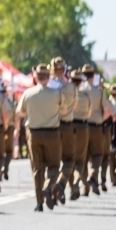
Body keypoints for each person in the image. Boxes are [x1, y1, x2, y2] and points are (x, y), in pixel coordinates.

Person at [16, 64, 66, 212]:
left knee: (38, 169)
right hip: (52, 133)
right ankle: (48, 187)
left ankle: (39, 203)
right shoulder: (56, 93)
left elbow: (20, 112)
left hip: (34, 133)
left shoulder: (28, 93)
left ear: (35, 77)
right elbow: (63, 110)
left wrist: (34, 113)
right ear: (49, 77)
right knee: (54, 166)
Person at [80, 64, 112, 195]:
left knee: (83, 157)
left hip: (82, 126)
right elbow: (108, 111)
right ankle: (93, 176)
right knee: (97, 155)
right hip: (96, 126)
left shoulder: (79, 91)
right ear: (93, 76)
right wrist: (100, 119)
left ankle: (85, 187)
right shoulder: (98, 91)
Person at [49, 57, 76, 203]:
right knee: (69, 159)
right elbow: (73, 106)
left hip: (50, 126)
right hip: (66, 125)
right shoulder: (70, 86)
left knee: (52, 162)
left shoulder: (47, 85)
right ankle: (60, 184)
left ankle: (51, 188)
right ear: (64, 69)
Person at [70, 70, 91, 200]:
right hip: (83, 126)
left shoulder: (66, 95)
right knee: (80, 159)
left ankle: (72, 186)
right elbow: (89, 114)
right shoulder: (85, 96)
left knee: (68, 158)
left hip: (69, 126)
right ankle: (78, 180)